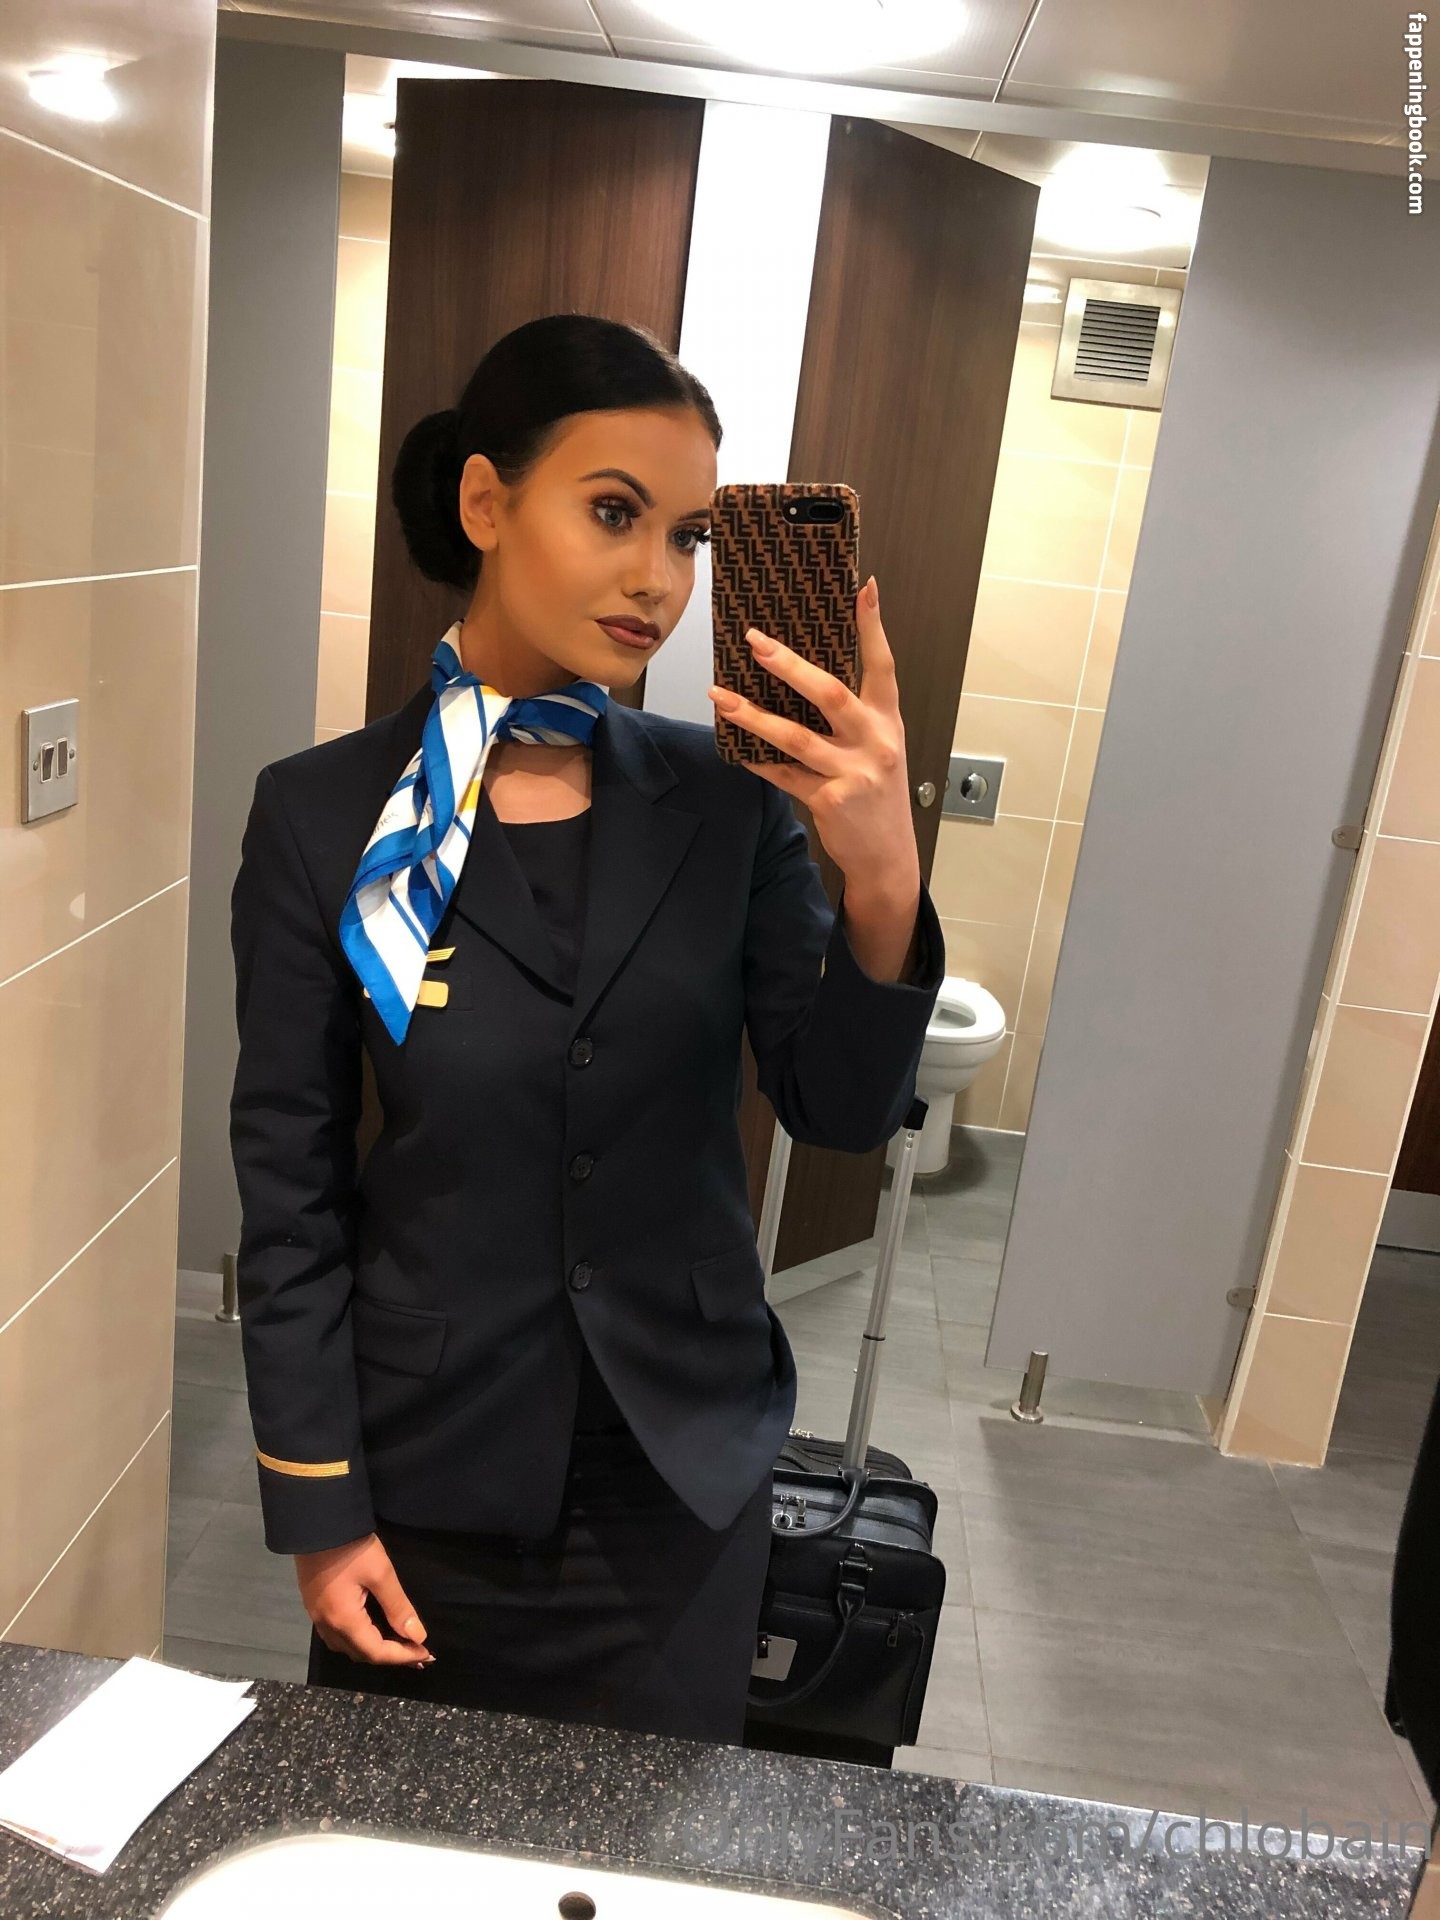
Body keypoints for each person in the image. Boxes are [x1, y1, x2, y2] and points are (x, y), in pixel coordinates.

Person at [228, 312, 945, 1745]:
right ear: (485, 503)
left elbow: (841, 1109)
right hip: (425, 1475)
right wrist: (317, 1501)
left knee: (655, 1844)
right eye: (614, 513)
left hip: (681, 1477)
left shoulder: (727, 804)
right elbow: (290, 1186)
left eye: (689, 536)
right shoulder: (323, 816)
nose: (659, 579)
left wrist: (881, 876)